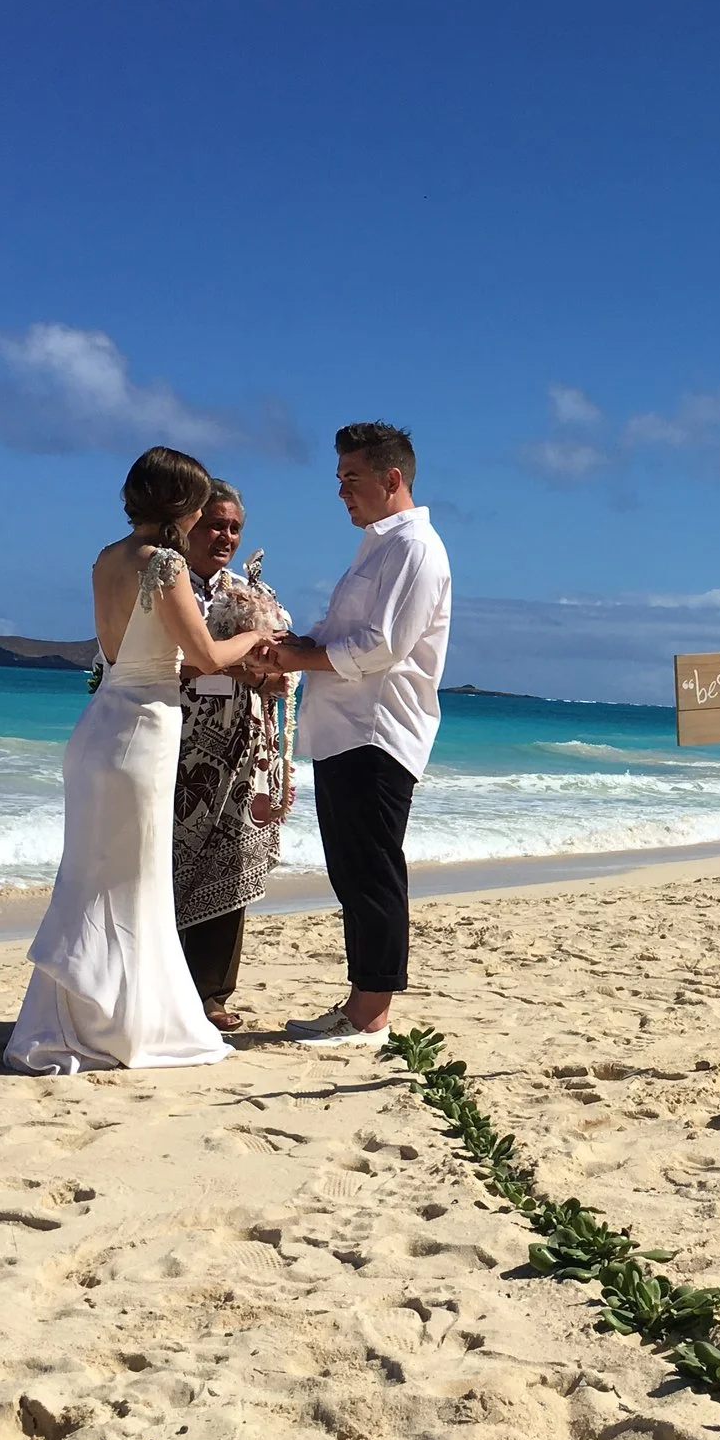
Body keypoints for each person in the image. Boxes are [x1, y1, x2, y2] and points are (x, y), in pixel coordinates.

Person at [5, 448, 278, 1074]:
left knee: (90, 877)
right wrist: (258, 639)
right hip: (144, 729)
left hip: (99, 726)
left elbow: (115, 646)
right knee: (133, 883)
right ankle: (123, 1021)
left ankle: (82, 1012)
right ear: (182, 505)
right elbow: (206, 655)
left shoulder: (107, 558)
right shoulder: (166, 564)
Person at [269, 422, 452, 1046]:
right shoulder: (377, 546)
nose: (342, 491)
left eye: (352, 478)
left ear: (391, 478)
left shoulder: (415, 548)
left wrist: (300, 660)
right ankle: (361, 1002)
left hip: (378, 730)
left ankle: (372, 1011)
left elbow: (383, 646)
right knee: (353, 871)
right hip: (344, 730)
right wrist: (292, 644)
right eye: (340, 479)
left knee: (371, 871)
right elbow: (344, 628)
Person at [173, 480, 288, 1032]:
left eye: (234, 527)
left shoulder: (251, 594)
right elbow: (152, 661)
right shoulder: (165, 584)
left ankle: (212, 994)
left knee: (230, 861)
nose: (225, 536)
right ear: (189, 524)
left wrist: (273, 677)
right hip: (174, 744)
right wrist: (237, 664)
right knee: (165, 865)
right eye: (215, 524)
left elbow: (276, 671)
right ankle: (164, 987)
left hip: (240, 751)